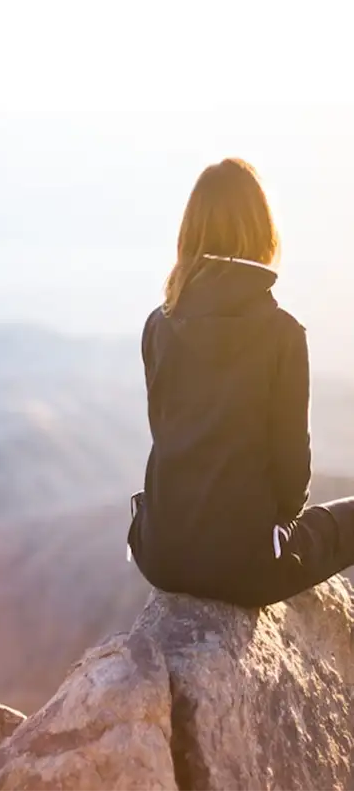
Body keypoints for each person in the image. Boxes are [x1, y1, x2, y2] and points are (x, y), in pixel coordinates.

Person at [127, 157, 354, 608]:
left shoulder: (158, 323)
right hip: (245, 569)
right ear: (262, 232)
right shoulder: (283, 335)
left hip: (160, 554)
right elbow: (293, 481)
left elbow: (166, 432)